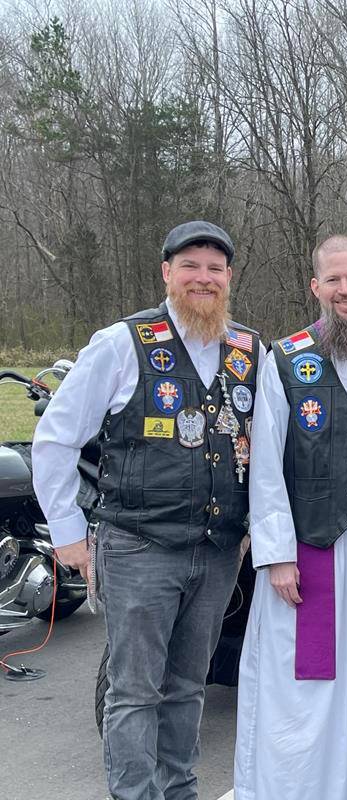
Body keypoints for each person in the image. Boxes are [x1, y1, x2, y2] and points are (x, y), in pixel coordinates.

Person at [32, 221, 261, 800]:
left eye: (215, 268)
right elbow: (55, 441)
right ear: (167, 273)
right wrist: (68, 537)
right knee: (134, 691)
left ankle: (179, 790)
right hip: (138, 547)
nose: (202, 278)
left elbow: (267, 443)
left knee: (189, 686)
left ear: (229, 278)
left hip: (215, 551)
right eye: (190, 266)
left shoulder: (248, 350)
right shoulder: (121, 342)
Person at [233, 236, 347, 800]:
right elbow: (265, 463)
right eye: (333, 280)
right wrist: (278, 556)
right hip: (309, 551)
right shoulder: (286, 360)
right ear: (316, 287)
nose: (345, 290)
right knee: (304, 690)